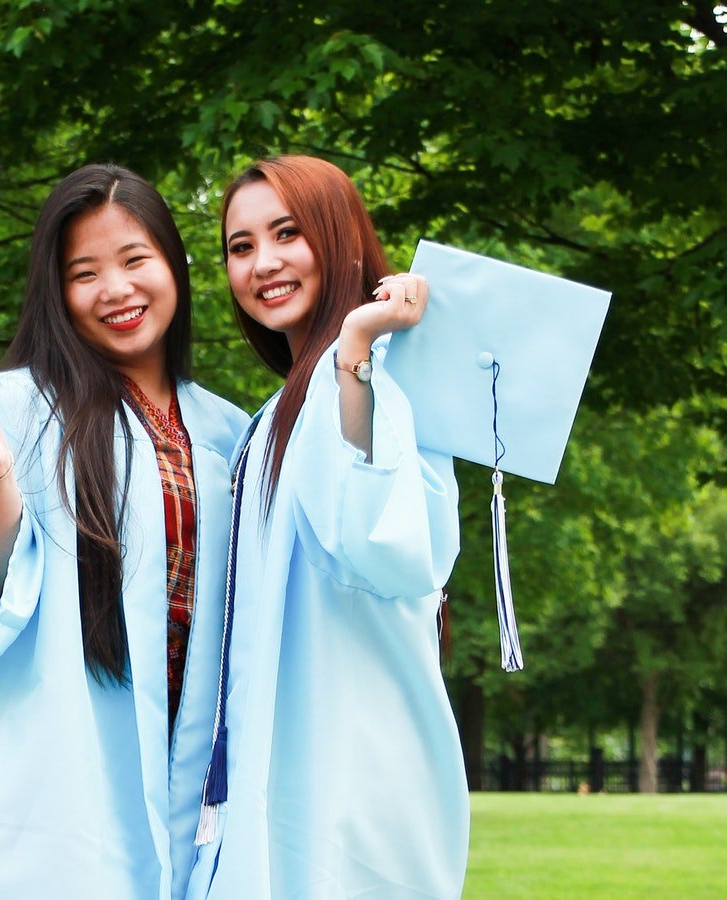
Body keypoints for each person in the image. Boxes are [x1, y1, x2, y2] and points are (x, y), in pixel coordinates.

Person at [0, 163, 249, 900]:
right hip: (59, 763)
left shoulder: (227, 430)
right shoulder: (12, 407)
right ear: (55, 292)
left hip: (192, 763)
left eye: (135, 260)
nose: (115, 289)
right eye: (84, 273)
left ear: (174, 267)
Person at [187, 155, 469, 899]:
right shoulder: (269, 417)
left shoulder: (384, 374)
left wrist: (357, 347)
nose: (263, 263)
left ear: (341, 239)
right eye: (241, 246)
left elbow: (385, 546)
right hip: (282, 761)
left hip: (352, 772)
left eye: (288, 233)